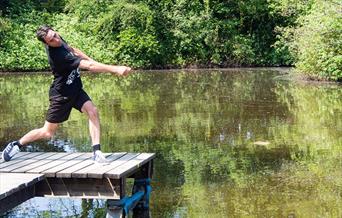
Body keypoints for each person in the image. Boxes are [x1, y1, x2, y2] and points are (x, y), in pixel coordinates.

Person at [1, 25, 131, 163]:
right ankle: (16, 144)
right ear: (46, 43)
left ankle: (96, 151)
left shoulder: (57, 39)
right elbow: (89, 67)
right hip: (61, 95)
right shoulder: (58, 55)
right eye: (52, 40)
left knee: (92, 111)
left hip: (75, 89)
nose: (56, 40)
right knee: (47, 132)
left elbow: (73, 50)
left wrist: (91, 60)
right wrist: (115, 69)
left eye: (55, 35)